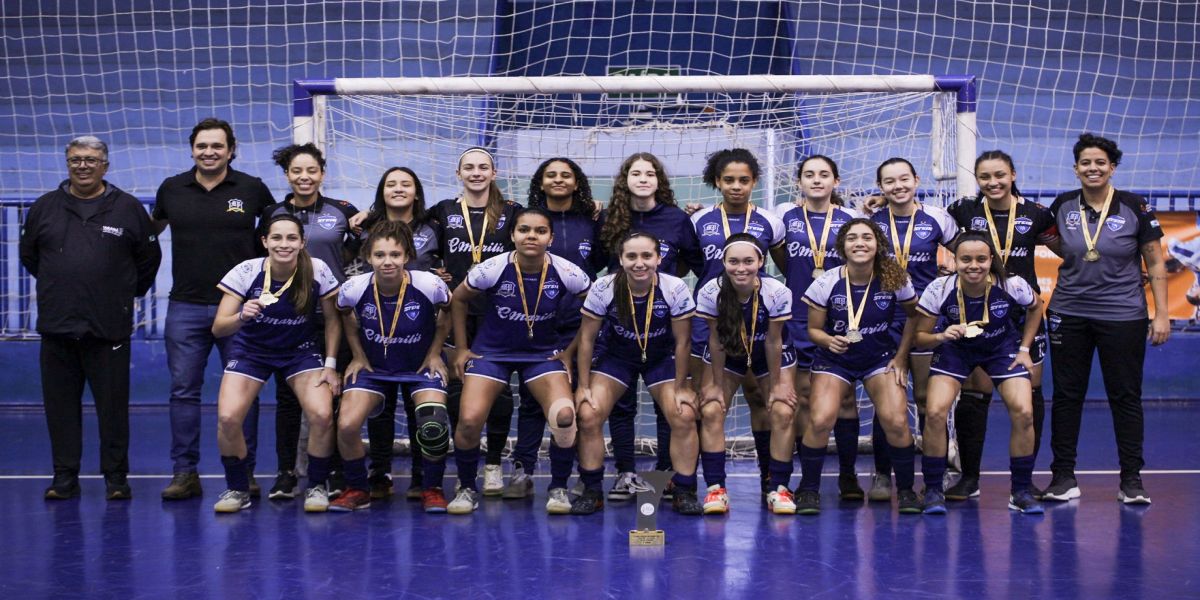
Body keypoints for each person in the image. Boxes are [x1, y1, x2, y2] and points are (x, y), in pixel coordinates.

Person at [21, 135, 162, 500]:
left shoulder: (128, 208)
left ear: (105, 166)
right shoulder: (44, 207)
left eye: (90, 160)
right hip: (57, 327)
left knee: (113, 410)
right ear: (67, 163)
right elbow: (30, 257)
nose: (82, 166)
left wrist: (121, 294)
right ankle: (64, 478)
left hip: (108, 328)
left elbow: (149, 260)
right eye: (75, 160)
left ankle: (116, 479)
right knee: (60, 410)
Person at [152, 118, 276, 500]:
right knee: (183, 392)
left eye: (217, 146)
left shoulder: (252, 189)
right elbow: (148, 235)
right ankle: (184, 473)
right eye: (202, 146)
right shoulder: (171, 189)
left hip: (239, 308)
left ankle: (245, 472)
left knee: (243, 392)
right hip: (185, 306)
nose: (209, 152)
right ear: (192, 150)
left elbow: (278, 234)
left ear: (231, 150)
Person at [1043, 133, 1169, 505]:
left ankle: (1131, 480)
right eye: (1086, 162)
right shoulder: (1063, 205)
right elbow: (1056, 243)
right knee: (1066, 396)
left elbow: (1155, 261)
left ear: (1112, 168)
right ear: (1076, 168)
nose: (1093, 168)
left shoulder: (1134, 205)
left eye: (1100, 162)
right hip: (1069, 312)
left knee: (1125, 396)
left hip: (1123, 315)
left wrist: (1161, 314)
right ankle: (1063, 477)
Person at [445, 209, 591, 515]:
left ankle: (558, 488)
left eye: (540, 231)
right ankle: (467, 488)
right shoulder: (493, 268)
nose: (531, 236)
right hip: (491, 353)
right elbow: (458, 298)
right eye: (524, 230)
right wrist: (461, 348)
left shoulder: (568, 271)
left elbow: (594, 311)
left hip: (541, 354)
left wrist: (569, 351)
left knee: (565, 416)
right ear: (512, 235)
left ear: (551, 238)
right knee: (469, 420)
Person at [943, 150, 1058, 501]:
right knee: (976, 393)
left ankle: (1025, 482)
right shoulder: (963, 211)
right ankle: (969, 478)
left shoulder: (1037, 214)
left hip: (1024, 314)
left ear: (1013, 175)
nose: (993, 182)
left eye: (999, 175)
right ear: (977, 179)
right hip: (978, 313)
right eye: (985, 177)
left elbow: (1071, 248)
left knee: (1029, 395)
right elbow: (927, 227)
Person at [210, 214, 341, 513]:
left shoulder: (317, 269)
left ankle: (317, 485)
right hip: (252, 351)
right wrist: (241, 314)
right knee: (228, 418)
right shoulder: (246, 271)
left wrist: (331, 364)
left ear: (302, 242)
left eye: (292, 238)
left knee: (322, 414)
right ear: (265, 241)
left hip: (300, 352)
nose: (284, 244)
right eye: (277, 238)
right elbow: (219, 327)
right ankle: (238, 489)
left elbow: (334, 320)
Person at [913, 231, 1044, 514]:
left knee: (1024, 411)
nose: (974, 265)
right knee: (934, 412)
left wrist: (1024, 348)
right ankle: (934, 489)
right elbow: (920, 337)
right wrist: (941, 336)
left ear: (991, 260)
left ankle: (1021, 491)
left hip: (1000, 348)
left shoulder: (1011, 284)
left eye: (981, 259)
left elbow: (1036, 307)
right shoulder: (939, 288)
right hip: (955, 350)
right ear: (955, 260)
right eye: (966, 259)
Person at [597, 152, 702, 500]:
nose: (643, 179)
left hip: (662, 327)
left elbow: (696, 263)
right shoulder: (609, 217)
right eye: (636, 173)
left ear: (660, 180)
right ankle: (625, 473)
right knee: (622, 404)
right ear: (624, 180)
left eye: (650, 173)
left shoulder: (676, 218)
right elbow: (593, 262)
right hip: (619, 327)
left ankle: (665, 475)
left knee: (668, 407)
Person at [571, 232, 700, 515]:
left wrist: (682, 387)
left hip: (661, 358)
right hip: (618, 358)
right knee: (588, 414)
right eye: (631, 256)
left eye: (646, 256)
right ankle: (592, 490)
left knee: (684, 414)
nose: (639, 263)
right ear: (620, 259)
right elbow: (587, 339)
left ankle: (684, 489)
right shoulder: (604, 287)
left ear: (658, 259)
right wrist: (583, 386)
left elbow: (683, 342)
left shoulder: (675, 287)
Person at [798, 219, 921, 515]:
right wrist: (829, 340)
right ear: (843, 246)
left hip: (878, 358)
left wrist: (901, 357)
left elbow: (915, 316)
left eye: (867, 237)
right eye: (852, 238)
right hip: (835, 360)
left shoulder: (895, 277)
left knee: (896, 420)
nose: (860, 243)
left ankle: (906, 490)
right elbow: (813, 330)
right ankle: (809, 489)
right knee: (820, 419)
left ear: (878, 244)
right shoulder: (827, 282)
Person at [332, 220, 453, 512]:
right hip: (375, 369)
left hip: (419, 368)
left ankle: (432, 488)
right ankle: (358, 488)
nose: (387, 262)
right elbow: (345, 314)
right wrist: (358, 355)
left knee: (434, 422)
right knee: (346, 425)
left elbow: (448, 311)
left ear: (407, 256)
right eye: (380, 255)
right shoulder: (354, 287)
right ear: (368, 257)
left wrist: (435, 353)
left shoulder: (428, 284)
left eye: (395, 255)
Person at [261, 143, 359, 501]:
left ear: (322, 173)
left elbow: (362, 248)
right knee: (288, 400)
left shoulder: (344, 210)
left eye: (311, 170)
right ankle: (286, 472)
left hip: (332, 317)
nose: (304, 177)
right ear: (287, 175)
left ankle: (333, 471)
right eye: (296, 171)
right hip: (287, 319)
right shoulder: (272, 213)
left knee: (334, 394)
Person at [426, 147, 523, 498]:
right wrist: (431, 269)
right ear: (459, 173)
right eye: (469, 167)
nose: (476, 172)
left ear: (494, 173)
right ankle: (464, 464)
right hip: (457, 311)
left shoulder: (512, 211)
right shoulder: (443, 210)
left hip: (499, 312)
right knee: (458, 386)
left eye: (483, 167)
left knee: (499, 391)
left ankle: (494, 463)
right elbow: (413, 239)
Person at [502, 157, 601, 500]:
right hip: (536, 322)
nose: (558, 180)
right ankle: (523, 470)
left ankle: (576, 475)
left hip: (579, 324)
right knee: (533, 401)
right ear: (540, 182)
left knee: (577, 403)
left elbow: (597, 266)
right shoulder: (528, 219)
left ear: (577, 182)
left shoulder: (592, 220)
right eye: (551, 175)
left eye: (566, 175)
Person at [689, 148, 785, 499]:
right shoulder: (699, 220)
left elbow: (784, 267)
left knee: (760, 397)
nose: (736, 186)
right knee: (707, 400)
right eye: (728, 179)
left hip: (757, 319)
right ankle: (703, 484)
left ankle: (770, 479)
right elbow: (693, 265)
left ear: (754, 182)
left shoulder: (770, 222)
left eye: (743, 180)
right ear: (717, 181)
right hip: (712, 319)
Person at [770, 155, 865, 501]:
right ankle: (806, 475)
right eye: (809, 175)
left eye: (824, 174)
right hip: (797, 316)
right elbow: (781, 257)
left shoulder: (850, 218)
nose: (816, 180)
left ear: (836, 181)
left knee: (846, 397)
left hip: (841, 318)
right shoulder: (784, 215)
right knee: (803, 396)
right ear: (799, 182)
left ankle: (848, 475)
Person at [866, 158, 957, 502]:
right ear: (880, 187)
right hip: (881, 318)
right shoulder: (870, 221)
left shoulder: (937, 218)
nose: (898, 186)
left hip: (925, 318)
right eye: (889, 181)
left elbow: (970, 250)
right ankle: (882, 474)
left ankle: (938, 473)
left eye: (904, 179)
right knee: (887, 400)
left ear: (917, 180)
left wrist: (954, 277)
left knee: (926, 400)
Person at [353, 166, 442, 500]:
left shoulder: (434, 226)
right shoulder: (363, 227)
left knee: (421, 407)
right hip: (376, 329)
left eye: (406, 183)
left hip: (420, 329)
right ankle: (379, 473)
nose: (399, 189)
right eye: (391, 184)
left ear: (417, 191)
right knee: (381, 407)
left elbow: (448, 263)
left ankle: (421, 476)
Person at [697, 234, 797, 514]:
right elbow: (716, 340)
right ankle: (716, 488)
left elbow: (774, 341)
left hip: (769, 353)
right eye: (734, 262)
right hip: (729, 352)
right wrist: (716, 385)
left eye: (748, 261)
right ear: (723, 262)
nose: (741, 268)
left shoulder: (777, 292)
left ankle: (778, 487)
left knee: (782, 410)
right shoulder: (710, 291)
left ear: (760, 262)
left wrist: (777, 385)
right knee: (711, 409)